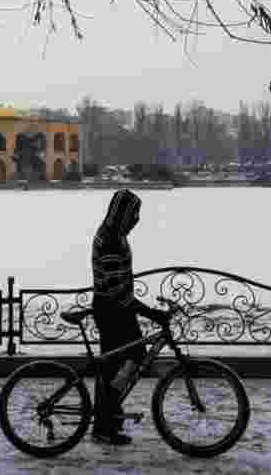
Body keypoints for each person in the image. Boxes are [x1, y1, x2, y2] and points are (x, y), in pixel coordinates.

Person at [91, 189, 170, 446]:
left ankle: (107, 419)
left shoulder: (115, 234)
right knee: (123, 363)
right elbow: (117, 292)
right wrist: (151, 313)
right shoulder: (112, 240)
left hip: (116, 309)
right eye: (134, 213)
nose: (137, 219)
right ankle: (106, 420)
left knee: (118, 365)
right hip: (112, 311)